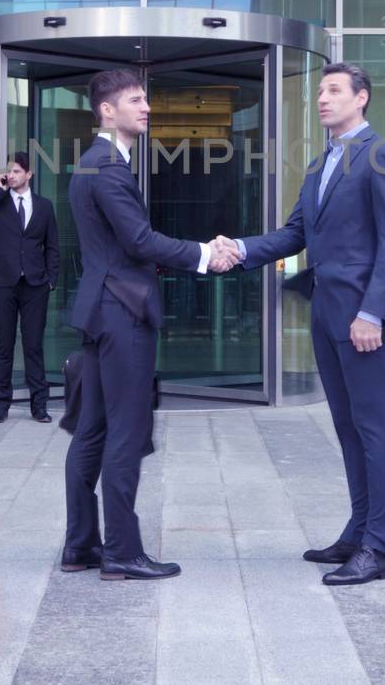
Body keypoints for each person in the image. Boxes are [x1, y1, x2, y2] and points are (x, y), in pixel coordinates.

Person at [213, 62, 385, 586]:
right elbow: (294, 234)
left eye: (334, 90)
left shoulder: (382, 156)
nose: (322, 99)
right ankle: (360, 529)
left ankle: (380, 546)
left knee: (374, 427)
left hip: (361, 319)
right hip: (327, 314)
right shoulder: (323, 163)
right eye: (319, 91)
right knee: (347, 428)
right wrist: (241, 249)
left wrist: (373, 312)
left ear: (361, 98)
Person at [62, 68, 236, 581]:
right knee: (125, 430)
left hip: (101, 308)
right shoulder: (108, 167)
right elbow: (138, 241)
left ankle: (80, 546)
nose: (147, 108)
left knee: (91, 430)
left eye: (146, 100)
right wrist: (205, 252)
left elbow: (122, 244)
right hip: (121, 313)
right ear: (106, 111)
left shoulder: (96, 164)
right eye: (136, 100)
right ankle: (120, 551)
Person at [0, 152, 60, 424]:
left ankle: (39, 407)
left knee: (33, 346)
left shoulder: (44, 207)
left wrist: (50, 280)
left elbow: (53, 247)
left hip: (35, 286)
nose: (12, 175)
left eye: (18, 171)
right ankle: (1, 407)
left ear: (29, 174)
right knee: (4, 346)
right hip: (4, 285)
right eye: (10, 171)